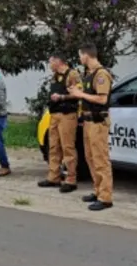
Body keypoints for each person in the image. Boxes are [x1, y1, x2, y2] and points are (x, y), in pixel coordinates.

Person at [67, 44, 113, 211]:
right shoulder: (88, 74)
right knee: (91, 158)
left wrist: (80, 95)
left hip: (98, 122)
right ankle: (98, 191)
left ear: (86, 55)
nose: (80, 59)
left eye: (80, 55)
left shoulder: (101, 74)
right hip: (87, 121)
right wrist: (77, 92)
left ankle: (106, 197)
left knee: (100, 159)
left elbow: (102, 99)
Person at [38, 54, 81, 192]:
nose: (49, 65)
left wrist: (62, 97)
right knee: (53, 147)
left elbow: (78, 93)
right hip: (54, 115)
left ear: (58, 62)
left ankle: (71, 179)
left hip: (67, 115)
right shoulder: (55, 76)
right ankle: (54, 176)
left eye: (50, 62)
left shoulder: (72, 74)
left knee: (67, 147)